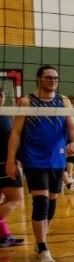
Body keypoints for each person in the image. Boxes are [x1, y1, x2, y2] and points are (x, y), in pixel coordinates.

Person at [6, 65, 74, 262]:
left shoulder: (63, 101)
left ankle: (41, 242)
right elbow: (16, 133)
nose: (53, 80)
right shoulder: (27, 101)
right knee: (41, 203)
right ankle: (43, 247)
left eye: (55, 77)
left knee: (52, 202)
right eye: (48, 77)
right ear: (39, 79)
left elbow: (73, 128)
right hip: (34, 159)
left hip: (57, 159)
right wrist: (11, 160)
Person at [0, 86, 25, 247]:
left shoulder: (5, 115)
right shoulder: (2, 117)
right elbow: (10, 139)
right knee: (15, 199)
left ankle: (4, 236)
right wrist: (16, 159)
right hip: (5, 163)